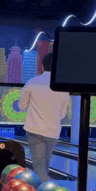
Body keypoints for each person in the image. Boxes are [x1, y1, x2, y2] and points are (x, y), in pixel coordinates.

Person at [18, 53, 70, 183]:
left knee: (39, 166)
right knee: (44, 165)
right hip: (53, 131)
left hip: (34, 129)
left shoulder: (32, 82)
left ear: (42, 66)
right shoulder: (62, 86)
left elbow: (21, 106)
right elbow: (63, 114)